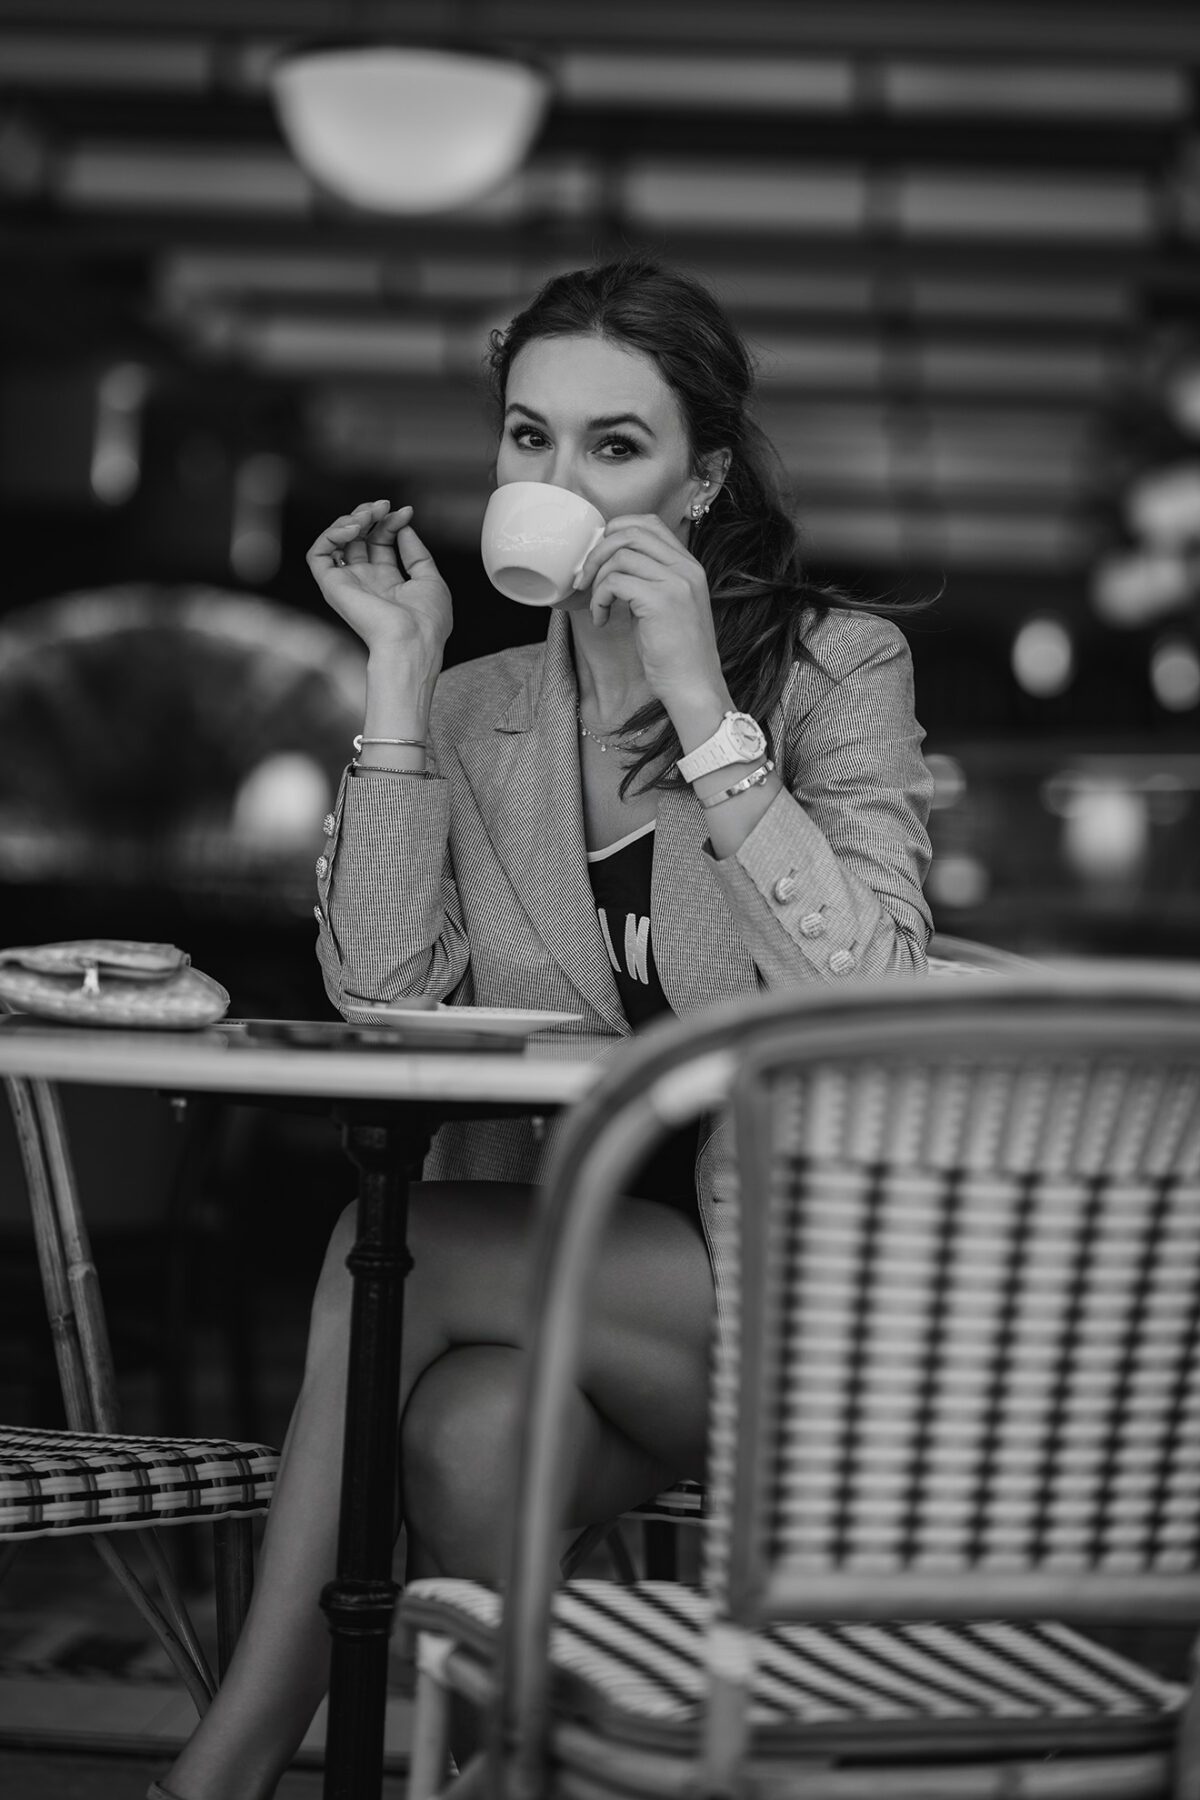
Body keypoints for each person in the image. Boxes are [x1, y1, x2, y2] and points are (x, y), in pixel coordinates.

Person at [150, 257, 933, 1800]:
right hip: (591, 1309)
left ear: (700, 479)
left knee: (402, 1247)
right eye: (529, 439)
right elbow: (384, 990)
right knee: (465, 1439)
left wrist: (708, 709)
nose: (558, 479)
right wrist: (397, 675)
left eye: (614, 446)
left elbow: (874, 990)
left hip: (812, 1295)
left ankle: (216, 1779)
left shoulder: (838, 668)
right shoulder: (478, 705)